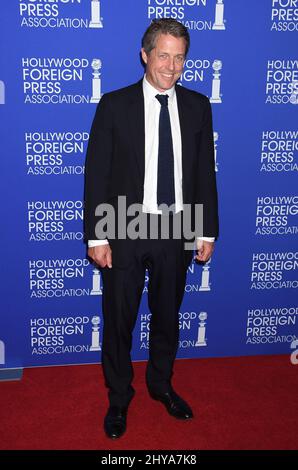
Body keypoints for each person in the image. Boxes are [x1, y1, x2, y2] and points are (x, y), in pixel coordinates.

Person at [84, 18, 219, 439]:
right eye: (163, 55)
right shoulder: (114, 104)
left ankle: (161, 385)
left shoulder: (198, 106)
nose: (171, 66)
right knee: (119, 320)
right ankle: (119, 397)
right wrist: (97, 235)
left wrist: (206, 230)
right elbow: (97, 174)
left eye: (179, 58)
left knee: (167, 317)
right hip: (124, 223)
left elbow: (203, 173)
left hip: (178, 226)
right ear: (145, 55)